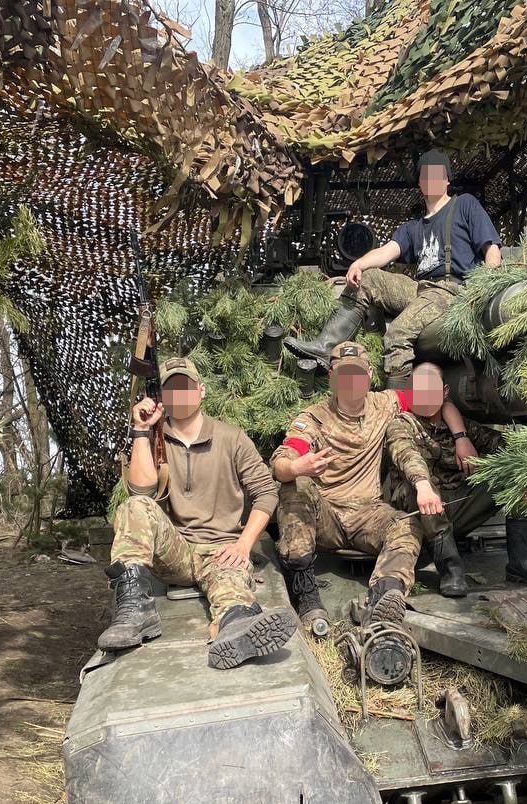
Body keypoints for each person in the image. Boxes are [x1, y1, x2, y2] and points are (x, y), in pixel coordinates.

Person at [98, 356, 298, 669]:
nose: (180, 396)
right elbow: (141, 491)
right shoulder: (155, 439)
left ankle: (237, 628)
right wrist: (141, 431)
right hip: (175, 552)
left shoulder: (232, 438)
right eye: (171, 390)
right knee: (134, 506)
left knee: (233, 590)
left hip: (221, 550)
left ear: (201, 391)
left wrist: (243, 545)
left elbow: (266, 493)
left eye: (185, 387)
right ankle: (135, 610)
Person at [272, 342, 473, 626]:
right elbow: (281, 462)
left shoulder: (385, 403)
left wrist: (461, 436)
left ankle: (386, 595)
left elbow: (435, 399)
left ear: (368, 374)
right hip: (325, 514)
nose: (351, 382)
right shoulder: (314, 417)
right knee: (295, 487)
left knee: (407, 524)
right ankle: (307, 597)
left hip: (368, 513)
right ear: (331, 376)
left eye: (357, 374)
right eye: (343, 375)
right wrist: (296, 467)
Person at [283, 149, 502, 385]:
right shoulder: (412, 227)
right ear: (420, 182)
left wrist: (482, 293)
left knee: (397, 332)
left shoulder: (464, 205)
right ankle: (326, 346)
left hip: (453, 291)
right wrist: (358, 263)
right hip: (422, 289)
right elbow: (388, 251)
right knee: (369, 279)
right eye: (426, 175)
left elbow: (492, 250)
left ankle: (398, 405)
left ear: (447, 179)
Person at [385, 363, 527, 597]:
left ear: (445, 392)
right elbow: (406, 455)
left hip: (457, 505)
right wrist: (423, 485)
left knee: (521, 474)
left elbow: (503, 445)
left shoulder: (461, 426)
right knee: (420, 490)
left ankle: (522, 562)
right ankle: (451, 570)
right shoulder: (402, 424)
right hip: (420, 512)